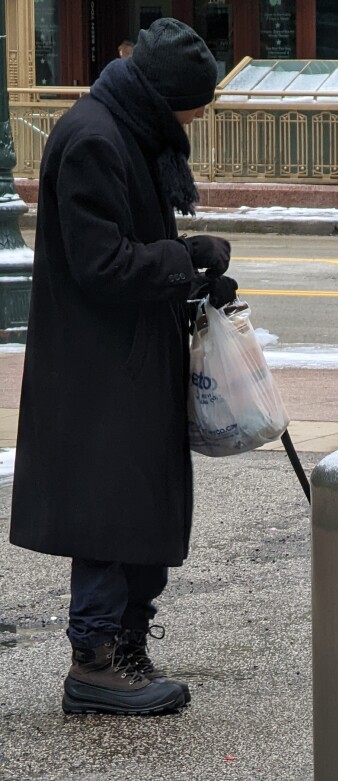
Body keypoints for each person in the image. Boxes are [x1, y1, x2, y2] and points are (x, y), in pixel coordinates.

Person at [9, 18, 238, 716]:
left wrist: (190, 263)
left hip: (129, 362)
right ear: (164, 96)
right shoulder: (94, 140)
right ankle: (97, 660)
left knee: (137, 508)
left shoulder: (125, 128)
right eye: (195, 103)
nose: (200, 115)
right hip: (98, 372)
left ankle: (126, 643)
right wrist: (180, 260)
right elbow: (101, 263)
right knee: (109, 516)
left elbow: (131, 242)